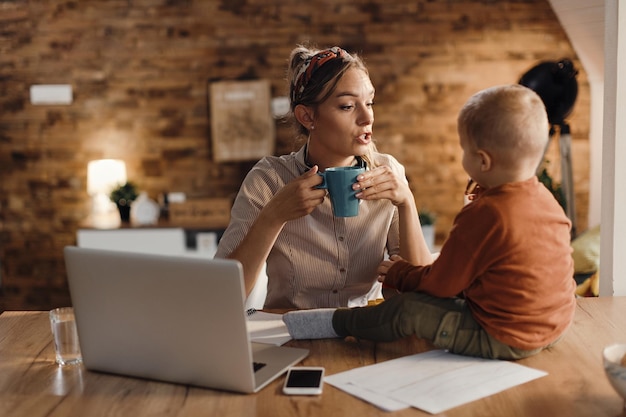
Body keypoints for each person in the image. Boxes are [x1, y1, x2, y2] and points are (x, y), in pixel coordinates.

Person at [283, 84, 577, 360]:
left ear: (483, 161)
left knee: (407, 310)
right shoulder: (547, 201)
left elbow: (441, 285)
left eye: (464, 150)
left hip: (507, 337)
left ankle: (335, 323)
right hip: (554, 326)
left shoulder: (485, 214)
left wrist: (401, 273)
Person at [214, 45, 432, 309]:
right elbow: (222, 296)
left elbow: (423, 293)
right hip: (288, 334)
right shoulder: (269, 179)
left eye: (369, 102)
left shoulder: (389, 172)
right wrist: (273, 216)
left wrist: (406, 202)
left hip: (364, 332)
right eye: (347, 106)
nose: (367, 118)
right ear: (307, 116)